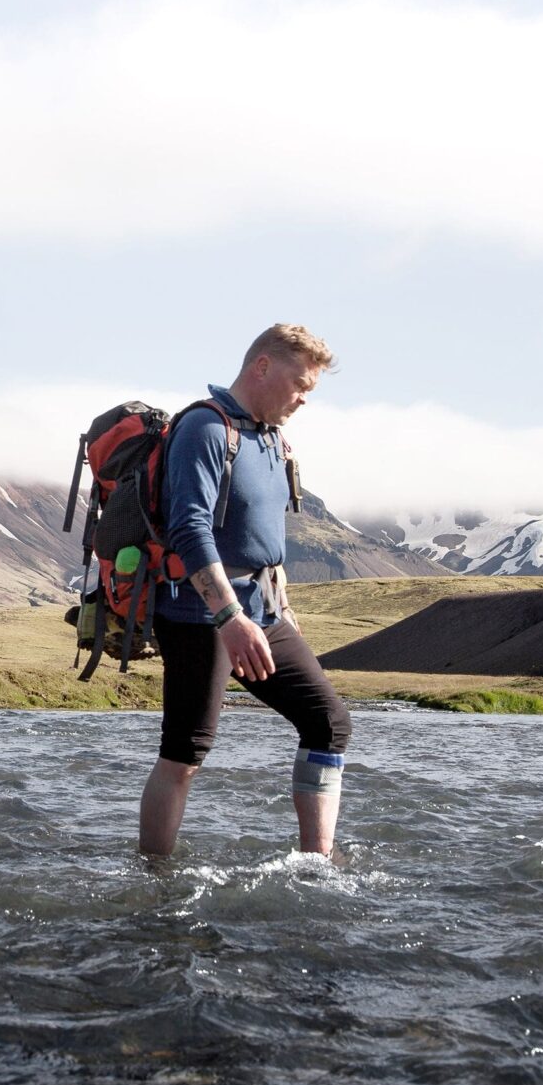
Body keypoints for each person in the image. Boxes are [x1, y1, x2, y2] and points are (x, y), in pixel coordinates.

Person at [138, 324, 352, 859]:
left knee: (328, 723)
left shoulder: (274, 440)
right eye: (300, 384)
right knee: (185, 753)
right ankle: (155, 875)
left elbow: (263, 541)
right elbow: (189, 529)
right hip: (199, 615)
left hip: (264, 613)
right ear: (261, 366)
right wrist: (230, 618)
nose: (304, 399)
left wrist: (283, 608)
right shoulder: (206, 431)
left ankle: (315, 866)